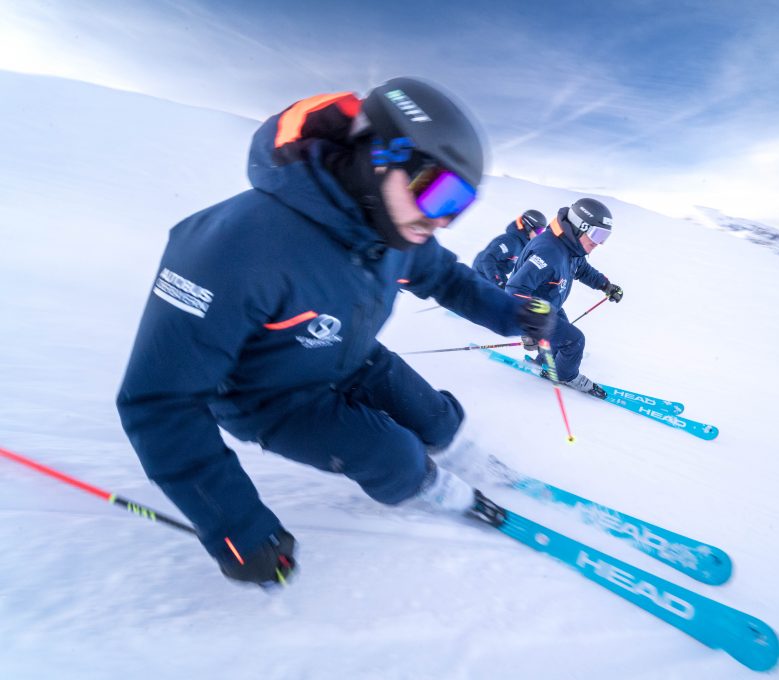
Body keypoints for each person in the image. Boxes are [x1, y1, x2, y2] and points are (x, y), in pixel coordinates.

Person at [115, 77, 555, 588]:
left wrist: (514, 314)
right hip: (270, 399)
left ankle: (458, 457)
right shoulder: (235, 247)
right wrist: (236, 529)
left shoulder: (392, 227)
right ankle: (433, 489)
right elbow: (158, 402)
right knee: (394, 457)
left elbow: (447, 278)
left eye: (457, 205)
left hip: (350, 356)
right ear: (380, 156)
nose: (441, 220)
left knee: (435, 417)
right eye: (437, 192)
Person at [504, 198, 624, 399]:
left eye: (604, 236)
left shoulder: (571, 248)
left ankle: (545, 361)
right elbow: (515, 290)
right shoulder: (548, 251)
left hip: (550, 304)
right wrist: (530, 326)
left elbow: (582, 269)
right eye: (597, 234)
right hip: (536, 310)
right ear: (579, 227)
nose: (599, 243)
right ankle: (566, 376)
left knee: (563, 337)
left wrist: (606, 285)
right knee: (574, 341)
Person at [471, 209, 546, 287]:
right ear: (528, 227)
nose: (539, 235)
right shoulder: (509, 241)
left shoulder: (522, 245)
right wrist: (498, 282)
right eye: (538, 231)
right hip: (483, 274)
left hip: (495, 274)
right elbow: (487, 258)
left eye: (541, 231)